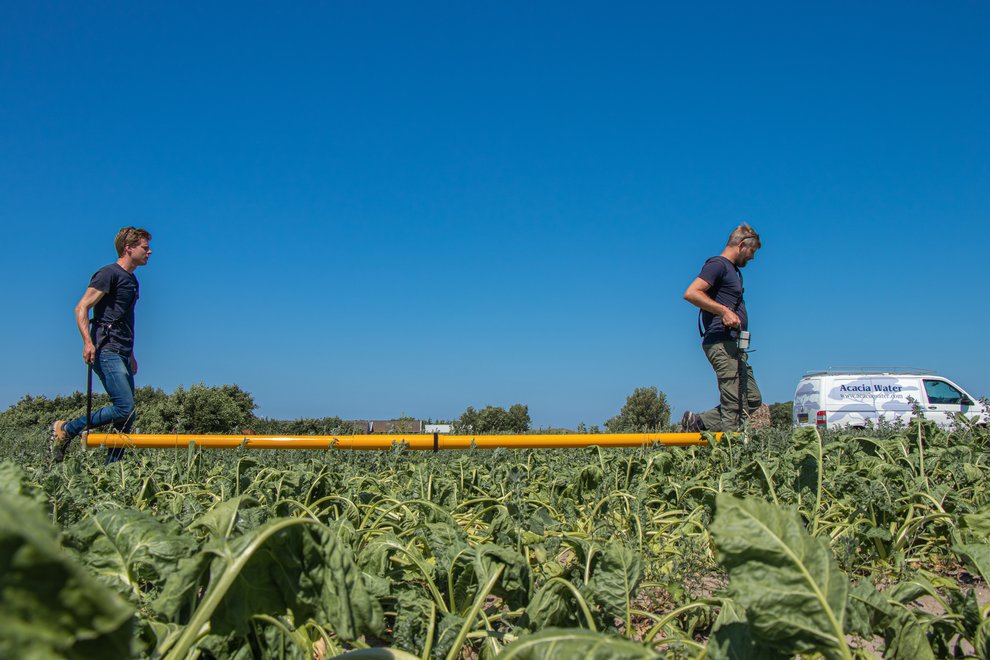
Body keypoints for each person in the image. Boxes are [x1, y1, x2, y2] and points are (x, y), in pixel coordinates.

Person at [51, 227, 152, 463]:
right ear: (129, 248)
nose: (150, 252)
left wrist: (132, 354)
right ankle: (66, 429)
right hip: (106, 350)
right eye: (145, 248)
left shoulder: (133, 280)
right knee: (124, 407)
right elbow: (81, 307)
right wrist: (88, 342)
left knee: (126, 418)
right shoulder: (108, 273)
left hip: (123, 352)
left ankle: (112, 472)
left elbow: (125, 318)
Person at [680, 224, 762, 433]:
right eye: (752, 251)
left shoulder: (733, 271)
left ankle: (699, 423)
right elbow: (691, 293)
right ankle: (729, 455)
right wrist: (724, 312)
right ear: (742, 245)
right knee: (733, 405)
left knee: (752, 399)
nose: (752, 258)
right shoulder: (718, 265)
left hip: (734, 345)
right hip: (720, 342)